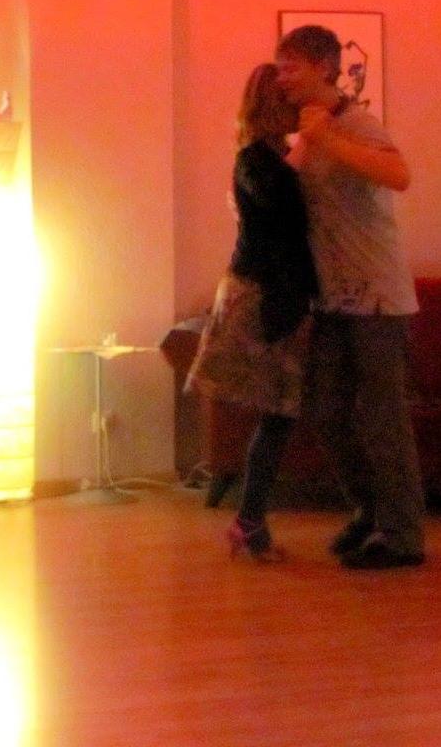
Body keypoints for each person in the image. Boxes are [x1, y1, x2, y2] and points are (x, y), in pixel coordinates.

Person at [275, 25, 424, 569]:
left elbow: (399, 176)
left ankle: (403, 538)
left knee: (383, 418)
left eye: (291, 67)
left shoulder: (357, 122)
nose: (283, 78)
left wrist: (328, 139)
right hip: (333, 298)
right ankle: (370, 509)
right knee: (325, 410)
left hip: (378, 298)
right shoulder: (305, 130)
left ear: (323, 67)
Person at [185, 63, 317, 561]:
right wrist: (310, 141)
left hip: (271, 294)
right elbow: (280, 198)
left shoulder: (266, 156)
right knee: (278, 409)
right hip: (263, 297)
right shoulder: (256, 160)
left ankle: (250, 522)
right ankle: (249, 523)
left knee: (280, 411)